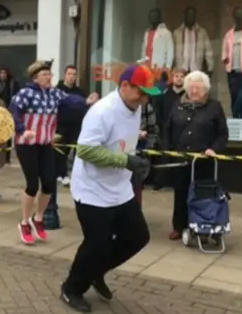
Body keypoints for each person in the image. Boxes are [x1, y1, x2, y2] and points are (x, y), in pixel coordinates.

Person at [60, 65, 158, 312]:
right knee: (97, 243)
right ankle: (71, 287)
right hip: (92, 190)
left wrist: (136, 161)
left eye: (148, 94)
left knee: (138, 236)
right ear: (125, 86)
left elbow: (122, 142)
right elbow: (86, 150)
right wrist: (125, 161)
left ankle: (96, 271)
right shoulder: (102, 111)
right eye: (141, 92)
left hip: (119, 187)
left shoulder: (135, 106)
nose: (145, 98)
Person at [9, 60, 90, 245]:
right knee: (32, 185)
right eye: (46, 74)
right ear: (36, 77)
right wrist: (22, 129)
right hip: (26, 144)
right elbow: (12, 113)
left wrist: (86, 101)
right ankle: (24, 222)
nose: (50, 77)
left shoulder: (54, 93)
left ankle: (38, 218)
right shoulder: (25, 94)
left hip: (46, 143)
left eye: (50, 74)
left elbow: (70, 100)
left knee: (48, 184)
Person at [163, 70, 228, 241]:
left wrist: (214, 149)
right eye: (190, 87)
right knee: (181, 193)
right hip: (181, 158)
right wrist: (168, 152)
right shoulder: (178, 104)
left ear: (205, 90)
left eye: (198, 88)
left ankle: (206, 226)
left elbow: (223, 134)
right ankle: (179, 225)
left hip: (204, 160)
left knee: (204, 194)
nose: (193, 91)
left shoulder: (214, 107)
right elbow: (168, 130)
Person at [55, 65, 98, 186]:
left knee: (78, 151)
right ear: (65, 75)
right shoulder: (58, 90)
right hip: (61, 124)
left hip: (77, 125)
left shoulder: (80, 92)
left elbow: (86, 105)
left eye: (74, 74)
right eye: (69, 74)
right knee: (61, 151)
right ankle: (61, 174)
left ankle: (76, 175)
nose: (71, 77)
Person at [152, 68, 186, 190]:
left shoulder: (187, 95)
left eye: (181, 76)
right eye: (176, 76)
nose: (179, 78)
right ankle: (160, 181)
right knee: (164, 155)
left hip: (182, 130)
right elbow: (157, 110)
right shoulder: (165, 94)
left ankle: (179, 182)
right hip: (165, 130)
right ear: (172, 77)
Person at [0, 67, 20, 163]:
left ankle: (7, 157)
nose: (3, 75)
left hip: (9, 111)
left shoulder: (12, 83)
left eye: (4, 73)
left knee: (8, 134)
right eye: (1, 73)